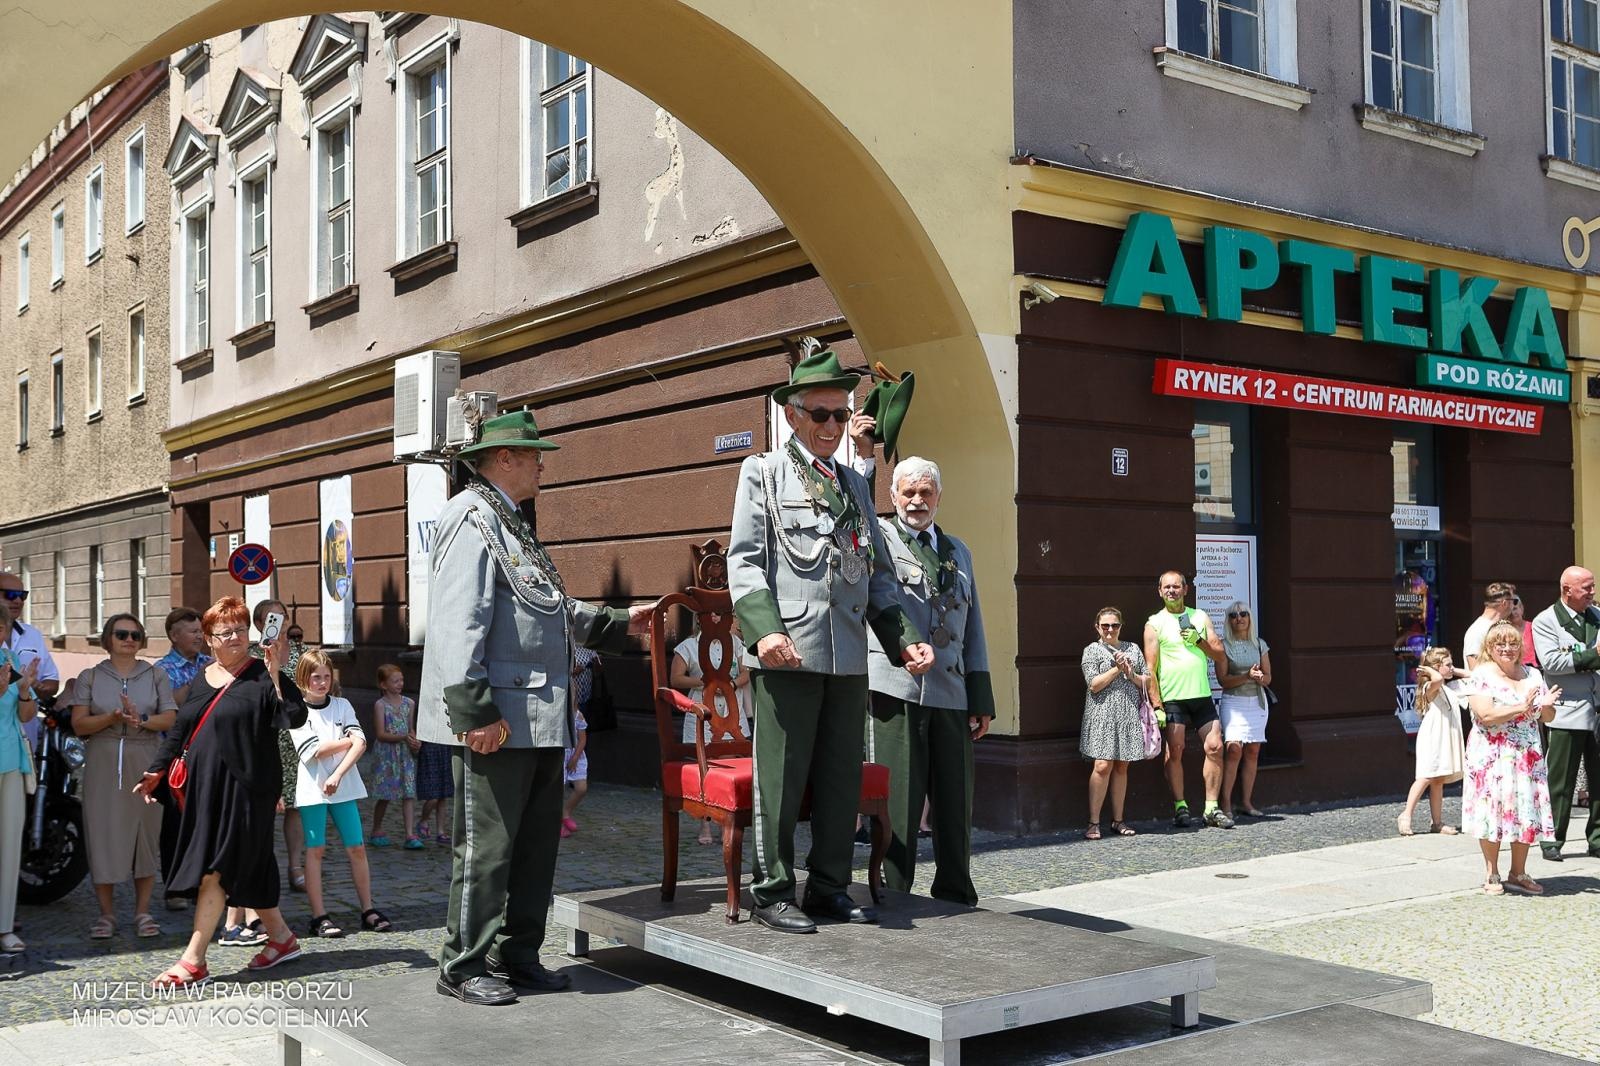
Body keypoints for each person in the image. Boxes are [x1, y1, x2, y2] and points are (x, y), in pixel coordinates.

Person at [417, 410, 649, 1006]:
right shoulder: (471, 518)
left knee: (535, 846)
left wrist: (619, 624)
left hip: (541, 716)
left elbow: (548, 609)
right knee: (488, 850)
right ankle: (463, 965)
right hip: (498, 718)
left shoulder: (510, 521)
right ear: (504, 461)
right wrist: (474, 713)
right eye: (534, 454)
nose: (543, 463)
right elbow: (456, 622)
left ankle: (517, 953)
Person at [728, 342, 933, 934]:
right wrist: (763, 633)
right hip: (788, 650)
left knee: (842, 777)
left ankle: (828, 887)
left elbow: (878, 579)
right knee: (783, 777)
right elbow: (745, 562)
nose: (831, 426)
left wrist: (903, 641)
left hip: (848, 656)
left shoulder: (852, 485)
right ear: (792, 415)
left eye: (841, 415)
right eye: (819, 415)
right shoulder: (762, 473)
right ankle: (772, 891)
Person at [134, 595, 308, 987]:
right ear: (210, 639)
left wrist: (278, 673)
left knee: (216, 868)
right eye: (225, 632)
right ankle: (281, 938)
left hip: (248, 789)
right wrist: (156, 769)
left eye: (241, 630)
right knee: (254, 864)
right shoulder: (205, 676)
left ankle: (194, 959)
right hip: (206, 787)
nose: (235, 637)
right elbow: (182, 728)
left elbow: (293, 717)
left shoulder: (262, 674)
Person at [860, 455, 993, 904]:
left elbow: (974, 625)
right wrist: (863, 458)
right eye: (908, 492)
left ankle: (957, 891)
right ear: (894, 496)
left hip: (951, 689)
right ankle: (894, 891)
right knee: (899, 799)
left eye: (926, 492)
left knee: (955, 800)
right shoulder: (879, 537)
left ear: (938, 497)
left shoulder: (959, 550)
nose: (917, 501)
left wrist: (981, 696)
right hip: (896, 685)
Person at [69, 614, 177, 940]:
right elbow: (78, 724)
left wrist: (140, 718)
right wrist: (111, 717)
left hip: (146, 755)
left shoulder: (156, 674)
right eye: (121, 634)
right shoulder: (90, 676)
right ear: (108, 639)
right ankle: (107, 915)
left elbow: (170, 718)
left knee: (145, 832)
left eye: (135, 634)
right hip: (103, 759)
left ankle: (143, 911)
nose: (129, 639)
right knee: (102, 833)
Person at [290, 650, 389, 937]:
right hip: (313, 790)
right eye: (315, 677)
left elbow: (360, 743)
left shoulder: (343, 704)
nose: (322, 682)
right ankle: (319, 915)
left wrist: (337, 774)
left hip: (342, 786)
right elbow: (312, 750)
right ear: (303, 679)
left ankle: (367, 909)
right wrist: (345, 740)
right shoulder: (298, 711)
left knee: (356, 847)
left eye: (326, 676)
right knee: (316, 849)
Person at [1462, 621, 1559, 895]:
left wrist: (1547, 707)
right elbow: (1486, 715)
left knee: (1525, 809)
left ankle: (1518, 872)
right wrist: (1522, 707)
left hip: (1526, 754)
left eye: (1513, 643)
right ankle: (1491, 872)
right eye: (1500, 644)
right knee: (1492, 809)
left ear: (1521, 646)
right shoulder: (1481, 674)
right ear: (1490, 648)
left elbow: (1546, 717)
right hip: (1492, 754)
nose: (1507, 649)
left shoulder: (1532, 674)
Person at [1143, 570, 1229, 828]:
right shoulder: (1154, 623)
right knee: (1175, 751)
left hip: (1201, 695)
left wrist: (1199, 641)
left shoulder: (1199, 616)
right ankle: (1180, 806)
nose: (1172, 591)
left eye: (1176, 587)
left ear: (1185, 590)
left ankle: (1211, 808)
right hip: (1173, 699)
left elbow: (1220, 654)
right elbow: (1150, 668)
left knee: (1215, 746)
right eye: (1167, 587)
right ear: (1160, 591)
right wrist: (1156, 705)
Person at [1530, 566, 1600, 862]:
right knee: (1560, 781)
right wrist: (1594, 655)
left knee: (1598, 782)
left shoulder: (1596, 615)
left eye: (1593, 586)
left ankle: (1597, 839)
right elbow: (1552, 663)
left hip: (1596, 709)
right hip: (1566, 710)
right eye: (1587, 588)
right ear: (1566, 590)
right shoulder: (1547, 621)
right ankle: (1552, 839)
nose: (1592, 593)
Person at [670, 614, 752, 844]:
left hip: (730, 709)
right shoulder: (688, 646)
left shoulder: (734, 642)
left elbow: (747, 671)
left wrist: (730, 685)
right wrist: (705, 682)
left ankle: (728, 821)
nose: (716, 617)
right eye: (711, 614)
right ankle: (704, 823)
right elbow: (676, 678)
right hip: (703, 710)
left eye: (720, 613)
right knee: (704, 766)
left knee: (731, 762)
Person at [155, 607, 213, 911]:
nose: (199, 636)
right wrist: (201, 682)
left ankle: (206, 884)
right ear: (174, 636)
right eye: (192, 632)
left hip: (211, 753)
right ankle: (175, 888)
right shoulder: (162, 669)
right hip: (178, 757)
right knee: (176, 825)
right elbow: (171, 705)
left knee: (207, 821)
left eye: (200, 630)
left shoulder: (211, 662)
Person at [1079, 607, 1148, 841]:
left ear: (1121, 626)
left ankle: (1118, 820)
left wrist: (1131, 674)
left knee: (1122, 766)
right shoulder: (1091, 650)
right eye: (1105, 625)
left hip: (1127, 714)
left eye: (1115, 625)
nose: (1110, 630)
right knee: (1101, 765)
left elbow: (1147, 681)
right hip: (1101, 716)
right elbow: (1093, 684)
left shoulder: (1133, 649)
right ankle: (1093, 822)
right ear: (1097, 627)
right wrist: (1117, 669)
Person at [1398, 646, 1464, 836]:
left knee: (1438, 779)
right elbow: (1437, 679)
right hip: (1433, 736)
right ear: (1435, 667)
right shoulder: (1430, 686)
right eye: (1448, 665)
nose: (1452, 668)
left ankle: (1437, 822)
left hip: (1444, 736)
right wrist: (1431, 671)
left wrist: (1452, 669)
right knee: (1426, 776)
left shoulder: (1447, 687)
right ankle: (1406, 814)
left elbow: (1472, 676)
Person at [0, 654, 40, 953]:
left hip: (11, 760)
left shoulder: (10, 662)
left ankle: (4, 926)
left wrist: (24, 691)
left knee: (10, 845)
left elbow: (27, 716)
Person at [1217, 602, 1271, 820]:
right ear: (1228, 620)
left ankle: (1246, 802)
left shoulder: (1259, 644)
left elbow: (1268, 679)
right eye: (1233, 615)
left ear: (1250, 618)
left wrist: (1259, 678)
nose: (1239, 618)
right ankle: (1226, 803)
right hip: (1233, 702)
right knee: (1233, 749)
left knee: (1252, 752)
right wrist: (1246, 676)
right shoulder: (1223, 646)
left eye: (1243, 614)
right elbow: (1223, 681)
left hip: (1256, 703)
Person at [0, 570, 60, 752]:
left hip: (24, 742)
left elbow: (53, 682)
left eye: (22, 596)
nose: (17, 601)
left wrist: (36, 687)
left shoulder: (32, 634)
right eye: (10, 594)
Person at [371, 664, 420, 849]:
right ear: (383, 685)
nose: (400, 684)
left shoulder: (409, 703)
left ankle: (409, 834)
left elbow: (411, 729)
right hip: (386, 755)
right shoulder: (381, 705)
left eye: (401, 680)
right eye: (395, 681)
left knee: (408, 794)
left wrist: (415, 741)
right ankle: (376, 828)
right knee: (385, 794)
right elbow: (381, 734)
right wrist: (404, 738)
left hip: (405, 754)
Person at [1463, 582, 1516, 671]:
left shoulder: (1499, 626)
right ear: (1505, 603)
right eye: (1514, 601)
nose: (1514, 606)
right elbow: (1475, 669)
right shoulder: (1478, 630)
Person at [560, 708, 588, 839]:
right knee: (557, 791)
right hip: (560, 753)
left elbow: (582, 739)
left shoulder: (577, 715)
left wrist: (575, 757)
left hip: (575, 755)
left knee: (581, 788)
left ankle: (566, 812)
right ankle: (558, 824)